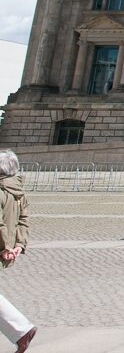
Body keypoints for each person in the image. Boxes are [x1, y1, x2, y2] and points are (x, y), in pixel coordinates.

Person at [0, 151, 36, 353]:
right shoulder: (18, 190)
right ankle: (22, 331)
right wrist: (19, 246)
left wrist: (6, 247)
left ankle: (22, 330)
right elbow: (24, 220)